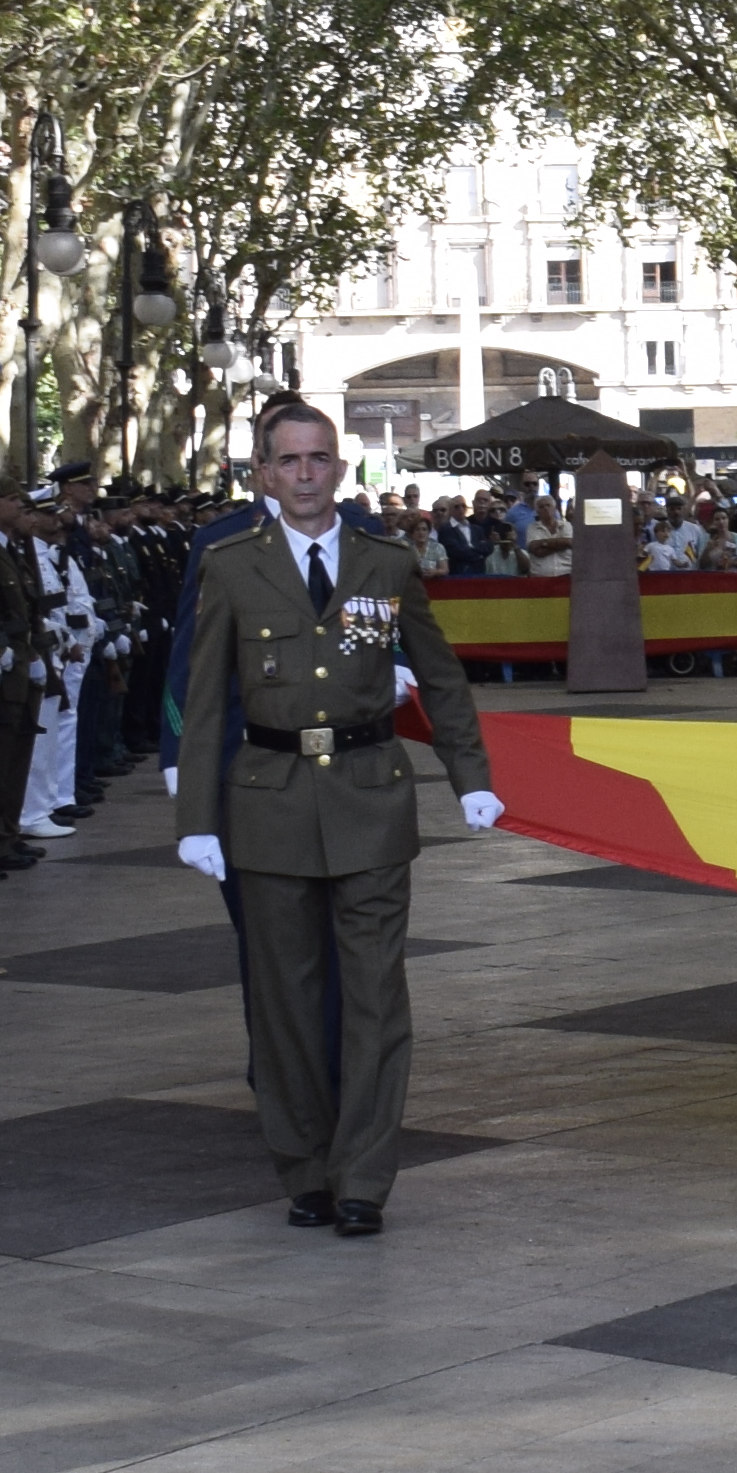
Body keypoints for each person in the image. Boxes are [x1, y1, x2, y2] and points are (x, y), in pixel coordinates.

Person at [172, 401, 503, 1236]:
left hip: (370, 797)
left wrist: (469, 775)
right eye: (290, 461)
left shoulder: (386, 561)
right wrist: (196, 816)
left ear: (341, 469)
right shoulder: (230, 564)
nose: (307, 475)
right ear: (264, 474)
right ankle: (304, 1166)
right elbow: (204, 697)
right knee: (284, 999)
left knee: (374, 999)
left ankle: (363, 1177)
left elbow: (442, 676)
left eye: (320, 459)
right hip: (269, 803)